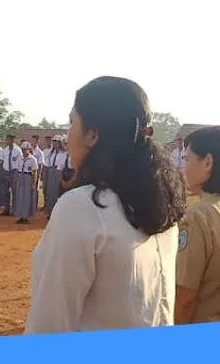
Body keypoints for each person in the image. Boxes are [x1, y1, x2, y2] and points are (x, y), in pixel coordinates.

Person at [25, 76, 187, 333]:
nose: (68, 135)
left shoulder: (83, 208)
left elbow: (49, 325)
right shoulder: (163, 203)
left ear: (92, 134)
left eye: (71, 123)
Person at [177, 126, 220, 324]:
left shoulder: (199, 217)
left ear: (208, 163)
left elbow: (184, 298)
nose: (183, 168)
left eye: (187, 160)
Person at [14, 141, 40, 224]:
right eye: (22, 149)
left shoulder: (33, 159)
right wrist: (17, 180)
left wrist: (33, 184)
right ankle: (21, 215)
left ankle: (26, 216)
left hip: (28, 177)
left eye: (25, 149)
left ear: (29, 149)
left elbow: (35, 172)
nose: (23, 151)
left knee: (27, 197)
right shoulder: (20, 158)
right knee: (20, 197)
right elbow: (17, 170)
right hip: (21, 177)